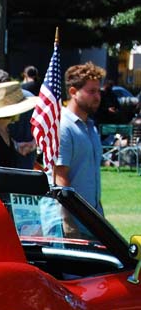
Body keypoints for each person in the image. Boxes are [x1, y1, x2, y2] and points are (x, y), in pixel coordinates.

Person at [55, 62, 104, 214]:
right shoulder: (63, 126)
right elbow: (60, 177)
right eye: (92, 91)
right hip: (71, 217)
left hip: (91, 216)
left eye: (98, 91)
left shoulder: (90, 126)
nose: (97, 97)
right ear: (73, 92)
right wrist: (70, 220)